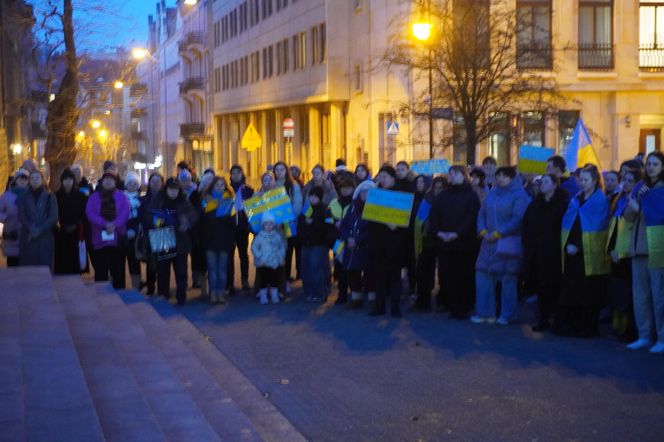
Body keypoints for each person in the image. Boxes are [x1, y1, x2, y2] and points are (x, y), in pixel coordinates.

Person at [554, 165, 610, 338]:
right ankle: (571, 324)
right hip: (572, 252)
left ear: (594, 180)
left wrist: (578, 246)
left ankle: (587, 327)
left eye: (586, 180)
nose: (583, 183)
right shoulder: (576, 199)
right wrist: (568, 244)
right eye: (581, 179)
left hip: (588, 252)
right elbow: (570, 222)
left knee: (587, 291)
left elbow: (598, 227)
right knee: (571, 290)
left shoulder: (599, 200)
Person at [472, 166, 530, 325]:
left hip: (507, 243)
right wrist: (482, 230)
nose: (499, 179)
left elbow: (518, 219)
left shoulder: (520, 195)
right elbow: (481, 213)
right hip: (487, 242)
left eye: (504, 176)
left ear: (512, 178)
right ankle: (485, 313)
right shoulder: (492, 194)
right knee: (483, 275)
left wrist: (499, 233)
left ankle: (508, 314)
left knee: (508, 279)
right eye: (498, 176)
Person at [624, 152, 664, 353]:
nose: (650, 167)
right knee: (640, 297)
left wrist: (639, 210)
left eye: (655, 164)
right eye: (649, 164)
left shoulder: (662, 189)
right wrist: (632, 208)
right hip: (638, 248)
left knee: (659, 297)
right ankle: (644, 336)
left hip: (656, 249)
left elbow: (658, 216)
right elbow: (628, 216)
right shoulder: (640, 187)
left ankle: (662, 338)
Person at [428, 167, 481, 317]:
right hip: (445, 243)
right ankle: (449, 304)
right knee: (446, 275)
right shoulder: (443, 196)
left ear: (464, 177)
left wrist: (457, 233)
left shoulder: (471, 195)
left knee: (463, 276)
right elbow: (434, 216)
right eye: (450, 173)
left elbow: (471, 218)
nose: (451, 176)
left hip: (463, 244)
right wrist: (438, 232)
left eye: (455, 173)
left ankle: (463, 306)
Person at [522, 174, 569, 331]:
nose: (542, 185)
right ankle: (543, 318)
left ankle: (557, 319)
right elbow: (527, 225)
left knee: (554, 287)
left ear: (555, 184)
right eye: (541, 182)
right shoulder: (535, 204)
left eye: (546, 182)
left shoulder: (563, 204)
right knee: (541, 287)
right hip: (537, 252)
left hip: (555, 252)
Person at [146, 178, 198, 306]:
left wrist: (187, 221)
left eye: (176, 189)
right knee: (163, 270)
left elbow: (193, 214)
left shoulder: (183, 200)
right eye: (171, 189)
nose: (173, 192)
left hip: (180, 238)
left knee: (181, 270)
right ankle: (163, 294)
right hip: (163, 236)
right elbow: (149, 215)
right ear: (166, 189)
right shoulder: (159, 199)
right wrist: (157, 221)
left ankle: (181, 296)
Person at [368, 166, 408, 317]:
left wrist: (396, 225)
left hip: (394, 244)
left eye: (385, 176)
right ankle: (379, 307)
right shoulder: (375, 195)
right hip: (378, 244)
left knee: (394, 278)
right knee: (379, 277)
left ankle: (395, 307)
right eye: (380, 176)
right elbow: (370, 219)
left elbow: (406, 221)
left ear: (392, 178)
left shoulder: (400, 195)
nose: (382, 179)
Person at [606, 168, 641, 341]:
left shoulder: (636, 201)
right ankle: (619, 326)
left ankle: (630, 329)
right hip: (617, 252)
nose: (626, 183)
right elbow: (614, 228)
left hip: (629, 253)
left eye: (630, 181)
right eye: (624, 180)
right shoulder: (618, 200)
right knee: (619, 292)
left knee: (629, 294)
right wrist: (611, 249)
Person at [85, 171, 130, 288]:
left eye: (111, 179)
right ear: (102, 182)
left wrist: (114, 224)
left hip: (118, 238)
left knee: (118, 270)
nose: (108, 181)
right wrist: (105, 224)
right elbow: (90, 213)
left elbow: (125, 212)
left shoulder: (122, 197)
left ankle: (120, 294)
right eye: (106, 179)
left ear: (115, 182)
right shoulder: (94, 197)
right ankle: (101, 295)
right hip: (99, 238)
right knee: (101, 270)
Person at [339, 180, 376, 309]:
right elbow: (344, 225)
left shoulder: (375, 209)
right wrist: (347, 239)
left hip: (366, 247)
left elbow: (373, 230)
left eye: (369, 192)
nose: (365, 194)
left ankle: (372, 299)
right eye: (363, 192)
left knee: (370, 273)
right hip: (351, 247)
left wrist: (358, 240)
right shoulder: (352, 207)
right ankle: (356, 298)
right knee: (352, 273)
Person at [411, 175, 446, 312]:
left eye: (441, 188)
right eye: (436, 187)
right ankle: (423, 300)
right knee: (424, 272)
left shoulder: (447, 199)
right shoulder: (428, 198)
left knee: (444, 272)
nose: (438, 190)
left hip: (443, 239)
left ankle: (442, 300)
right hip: (427, 240)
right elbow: (420, 218)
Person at [199, 176, 236, 304]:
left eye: (222, 185)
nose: (220, 187)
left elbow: (233, 221)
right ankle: (213, 293)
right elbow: (201, 215)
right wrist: (214, 211)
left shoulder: (230, 200)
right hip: (210, 239)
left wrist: (224, 217)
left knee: (222, 268)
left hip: (224, 239)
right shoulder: (205, 199)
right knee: (212, 268)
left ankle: (221, 293)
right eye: (217, 185)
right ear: (212, 186)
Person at [17, 170, 58, 269]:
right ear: (29, 181)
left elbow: (53, 216)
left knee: (44, 268)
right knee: (28, 269)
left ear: (42, 180)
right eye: (32, 178)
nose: (35, 180)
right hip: (28, 236)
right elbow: (21, 215)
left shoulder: (50, 196)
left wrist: (39, 229)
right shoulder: (24, 196)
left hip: (44, 237)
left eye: (37, 178)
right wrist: (31, 228)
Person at [298, 186, 331, 302]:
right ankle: (309, 291)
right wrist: (305, 226)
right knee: (306, 268)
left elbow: (327, 227)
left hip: (319, 243)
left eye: (315, 196)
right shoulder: (307, 208)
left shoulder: (325, 209)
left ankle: (320, 292)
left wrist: (312, 223)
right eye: (311, 196)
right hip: (306, 242)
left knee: (316, 268)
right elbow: (301, 223)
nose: (312, 198)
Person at [328, 176, 356, 305]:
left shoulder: (356, 204)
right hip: (338, 241)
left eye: (348, 188)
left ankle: (354, 292)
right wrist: (334, 222)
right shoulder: (334, 203)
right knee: (339, 266)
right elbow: (326, 219)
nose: (345, 191)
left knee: (352, 266)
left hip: (351, 240)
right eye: (343, 188)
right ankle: (342, 293)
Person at [274, 161, 303, 283]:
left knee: (289, 249)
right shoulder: (272, 185)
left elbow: (297, 205)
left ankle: (286, 277)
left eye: (282, 169)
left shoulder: (293, 185)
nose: (279, 172)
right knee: (278, 251)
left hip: (289, 223)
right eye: (277, 169)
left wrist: (288, 218)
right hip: (274, 225)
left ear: (286, 171)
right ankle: (280, 278)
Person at [54, 168, 86, 274]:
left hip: (76, 232)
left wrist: (77, 224)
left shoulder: (81, 196)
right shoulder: (56, 196)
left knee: (75, 260)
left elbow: (83, 214)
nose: (68, 182)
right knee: (62, 258)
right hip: (61, 232)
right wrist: (61, 225)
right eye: (65, 180)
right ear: (62, 181)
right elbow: (54, 213)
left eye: (70, 179)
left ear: (73, 181)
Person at [228, 164, 255, 291]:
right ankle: (230, 282)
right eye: (233, 173)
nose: (235, 175)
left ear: (242, 174)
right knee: (229, 255)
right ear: (230, 175)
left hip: (242, 227)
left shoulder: (248, 190)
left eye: (238, 173)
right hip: (229, 226)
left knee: (243, 254)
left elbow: (253, 208)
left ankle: (245, 280)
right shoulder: (227, 189)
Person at [251, 211, 286, 305]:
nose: (269, 226)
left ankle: (274, 296)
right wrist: (259, 256)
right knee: (264, 280)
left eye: (271, 224)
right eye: (266, 224)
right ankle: (263, 296)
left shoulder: (277, 236)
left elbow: (281, 246)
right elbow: (254, 247)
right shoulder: (260, 236)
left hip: (274, 262)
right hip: (263, 263)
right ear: (263, 225)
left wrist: (280, 255)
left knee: (274, 279)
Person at [138, 172, 164, 295]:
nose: (155, 184)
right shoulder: (143, 199)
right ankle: (150, 287)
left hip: (163, 233)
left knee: (163, 263)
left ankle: (162, 289)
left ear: (161, 183)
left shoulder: (166, 198)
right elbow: (141, 216)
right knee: (151, 264)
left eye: (158, 181)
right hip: (149, 233)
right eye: (153, 181)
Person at [0, 169, 29, 266]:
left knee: (26, 262)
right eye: (21, 178)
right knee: (12, 263)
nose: (23, 181)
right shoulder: (6, 195)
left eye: (25, 179)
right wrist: (6, 218)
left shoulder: (31, 196)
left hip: (27, 233)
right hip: (11, 231)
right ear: (15, 180)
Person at [123, 171, 143, 288]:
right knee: (120, 259)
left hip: (136, 235)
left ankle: (136, 285)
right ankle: (119, 285)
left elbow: (141, 217)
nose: (132, 185)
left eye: (135, 184)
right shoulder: (121, 198)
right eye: (130, 183)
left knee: (134, 260)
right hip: (122, 233)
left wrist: (135, 230)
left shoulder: (140, 200)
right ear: (126, 184)